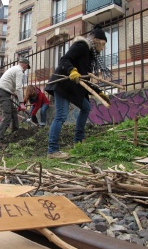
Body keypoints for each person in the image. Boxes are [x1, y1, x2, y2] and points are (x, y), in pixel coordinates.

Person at [44, 24, 112, 159]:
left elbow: (85, 79)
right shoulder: (82, 45)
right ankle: (52, 151)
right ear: (97, 41)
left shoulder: (90, 56)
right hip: (63, 85)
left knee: (86, 107)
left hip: (72, 88)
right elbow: (65, 59)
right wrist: (72, 70)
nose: (103, 48)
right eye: (103, 44)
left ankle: (79, 140)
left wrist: (98, 92)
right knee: (61, 116)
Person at [0, 58, 30, 147]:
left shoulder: (14, 69)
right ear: (25, 65)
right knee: (7, 116)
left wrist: (15, 95)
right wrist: (21, 103)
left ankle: (16, 132)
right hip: (3, 94)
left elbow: (8, 84)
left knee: (14, 112)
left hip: (4, 93)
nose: (25, 70)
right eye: (26, 68)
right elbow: (18, 88)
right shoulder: (19, 71)